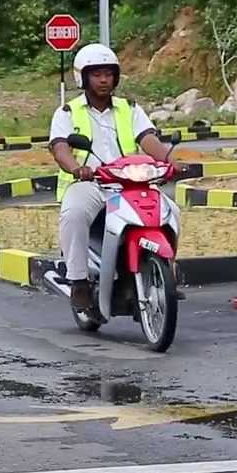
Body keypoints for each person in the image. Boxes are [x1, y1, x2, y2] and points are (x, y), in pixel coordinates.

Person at [49, 43, 187, 314]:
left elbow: (148, 138)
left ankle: (166, 271)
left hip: (130, 182)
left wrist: (170, 161)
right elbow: (60, 148)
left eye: (109, 74)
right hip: (90, 183)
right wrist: (76, 168)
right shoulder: (68, 112)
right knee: (74, 213)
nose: (103, 80)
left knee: (172, 211)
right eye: (97, 74)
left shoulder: (129, 108)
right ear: (83, 78)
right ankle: (78, 281)